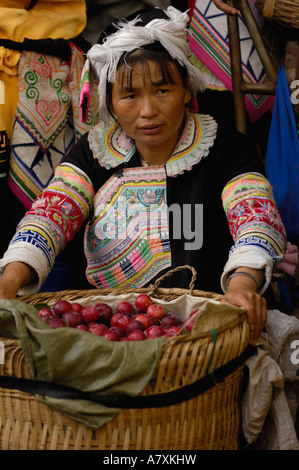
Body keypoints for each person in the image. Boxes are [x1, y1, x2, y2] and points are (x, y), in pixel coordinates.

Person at [0, 6, 287, 346]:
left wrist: (242, 284)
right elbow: (51, 214)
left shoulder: (226, 147)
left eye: (162, 90)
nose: (148, 111)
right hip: (109, 329)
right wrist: (9, 281)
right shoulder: (93, 151)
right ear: (110, 101)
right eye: (130, 96)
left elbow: (255, 219)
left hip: (204, 325)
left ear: (187, 89)